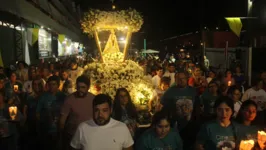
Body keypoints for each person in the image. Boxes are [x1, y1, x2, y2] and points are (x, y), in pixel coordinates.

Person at [60, 75, 95, 150]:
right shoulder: (70, 99)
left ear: (88, 87)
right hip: (73, 136)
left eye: (83, 87)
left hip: (90, 136)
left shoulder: (93, 99)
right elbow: (62, 120)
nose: (80, 90)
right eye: (78, 87)